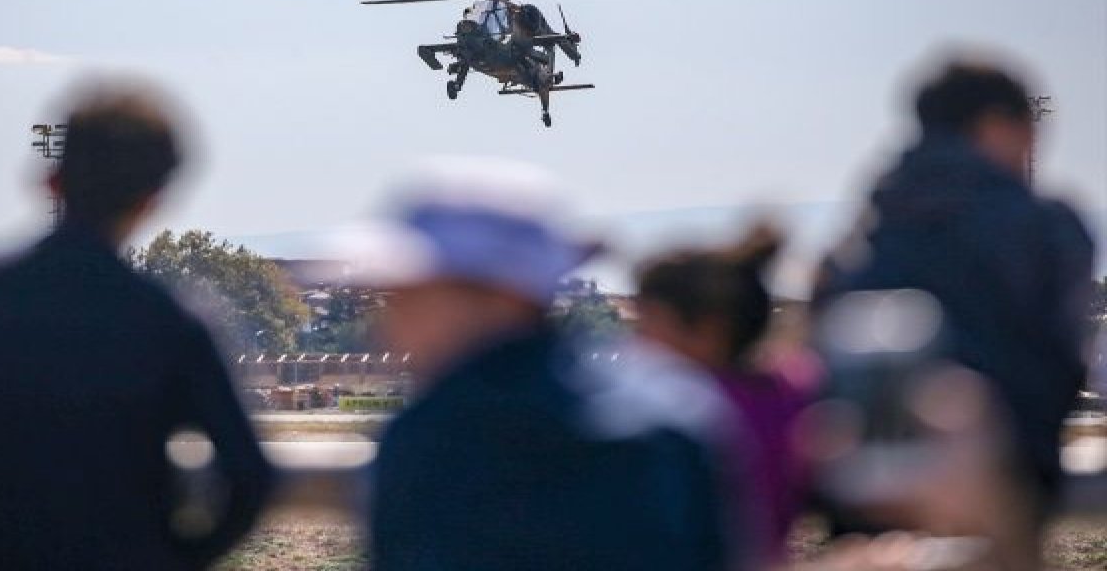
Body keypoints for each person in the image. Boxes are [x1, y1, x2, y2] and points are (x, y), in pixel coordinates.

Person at [0, 77, 274, 570]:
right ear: (152, 199)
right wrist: (173, 557)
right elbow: (249, 476)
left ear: (51, 180)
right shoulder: (170, 321)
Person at [343, 156, 734, 571]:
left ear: (502, 296)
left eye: (413, 296)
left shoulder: (433, 434)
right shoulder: (677, 409)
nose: (392, 320)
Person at [814, 56, 1096, 549]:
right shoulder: (1045, 228)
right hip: (999, 495)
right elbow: (1062, 359)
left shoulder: (860, 239)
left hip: (870, 508)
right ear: (996, 125)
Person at [635, 225, 816, 565]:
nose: (637, 342)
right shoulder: (794, 394)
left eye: (649, 323)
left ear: (709, 331)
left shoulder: (682, 413)